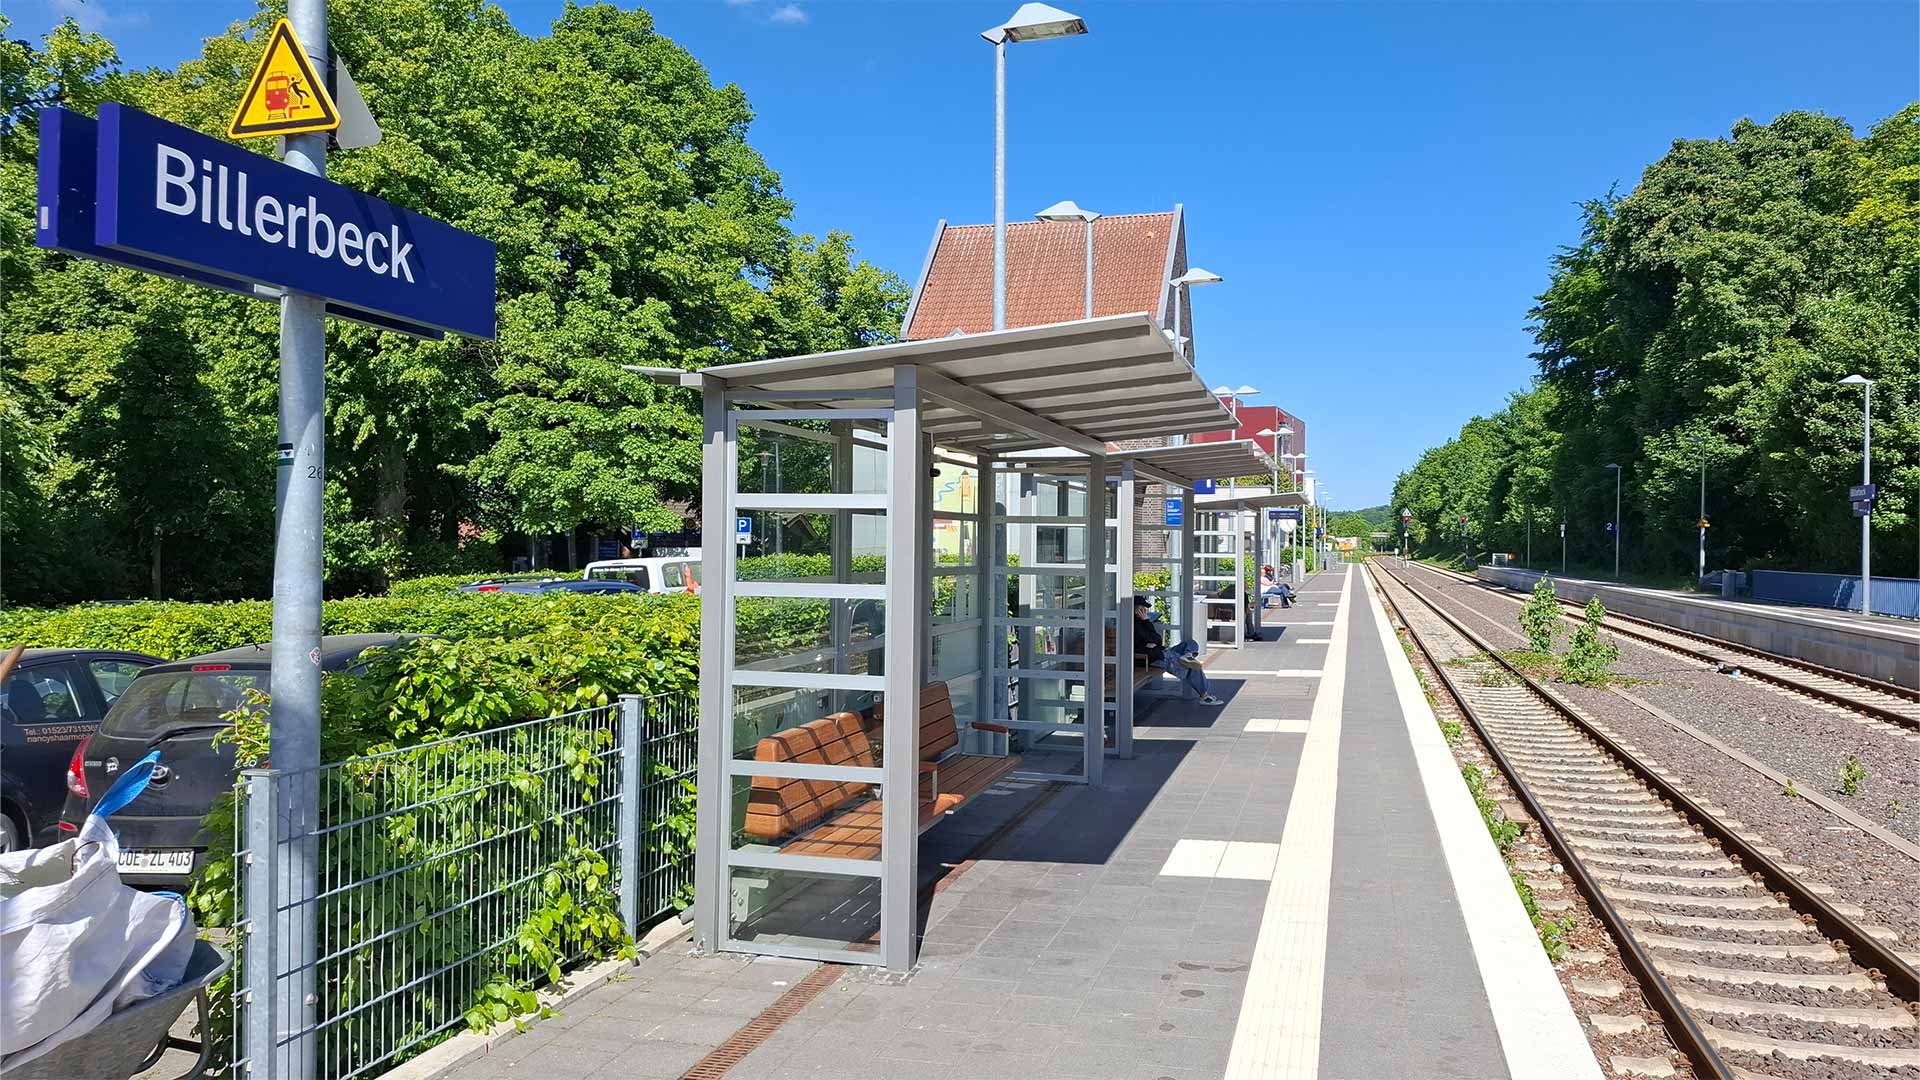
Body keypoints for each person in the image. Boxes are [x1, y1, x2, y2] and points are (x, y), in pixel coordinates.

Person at [1134, 597, 1223, 706]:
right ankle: (1204, 696)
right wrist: (1147, 625)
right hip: (1155, 657)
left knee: (1191, 643)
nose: (1145, 611)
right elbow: (1156, 639)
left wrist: (1147, 625)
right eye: (1143, 609)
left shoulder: (1142, 622)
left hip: (1161, 651)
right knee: (1193, 667)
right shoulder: (1135, 625)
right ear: (1136, 610)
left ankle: (1187, 655)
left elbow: (1156, 639)